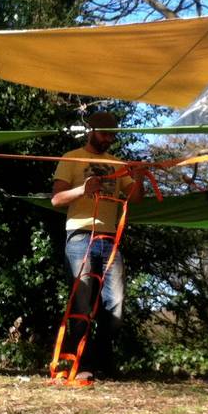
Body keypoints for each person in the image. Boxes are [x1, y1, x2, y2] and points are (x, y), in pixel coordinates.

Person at [50, 111, 144, 381]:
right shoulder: (71, 158)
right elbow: (56, 199)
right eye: (104, 134)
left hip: (109, 239)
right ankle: (82, 364)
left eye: (112, 135)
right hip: (79, 236)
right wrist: (83, 189)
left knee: (115, 307)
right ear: (90, 131)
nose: (108, 139)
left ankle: (102, 361)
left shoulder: (118, 163)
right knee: (81, 304)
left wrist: (138, 176)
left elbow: (135, 198)